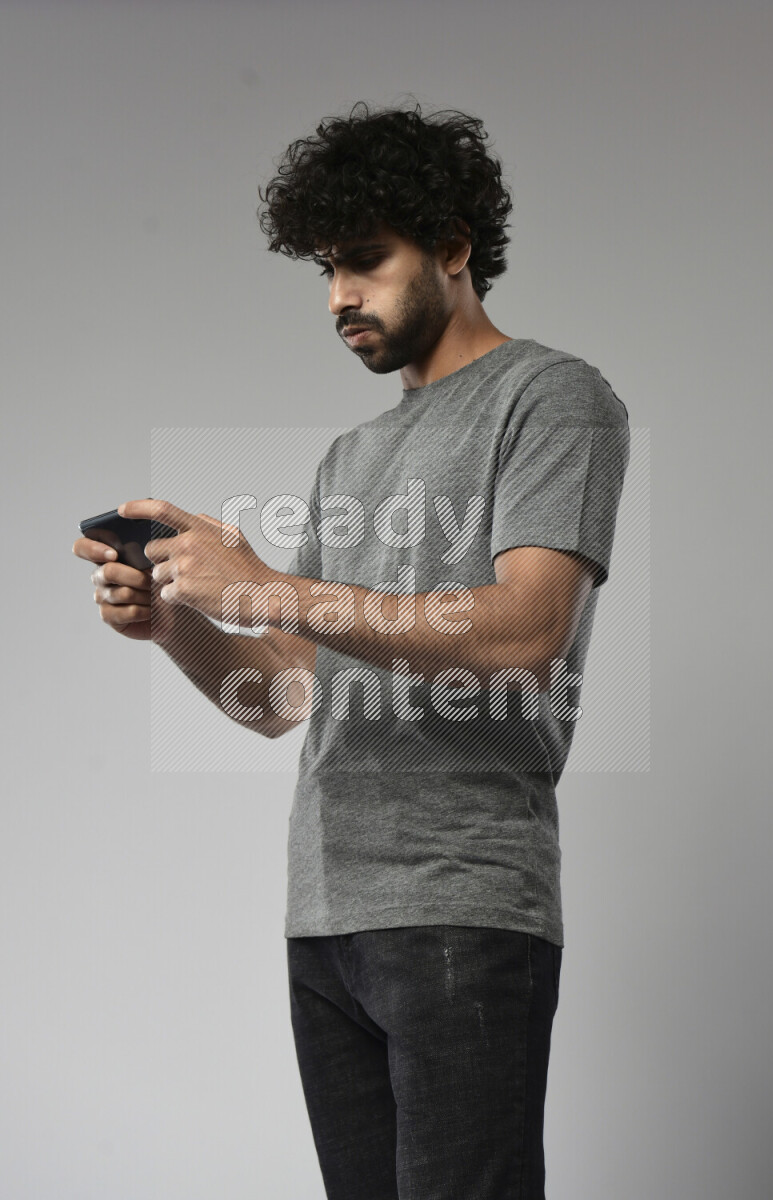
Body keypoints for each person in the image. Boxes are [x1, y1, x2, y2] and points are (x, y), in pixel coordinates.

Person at [73, 100, 630, 1199]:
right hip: (327, 920)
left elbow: (525, 629)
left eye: (365, 263)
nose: (338, 296)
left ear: (454, 250)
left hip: (462, 905)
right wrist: (181, 617)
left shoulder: (551, 397)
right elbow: (286, 697)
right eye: (326, 268)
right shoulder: (350, 454)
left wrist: (277, 588)